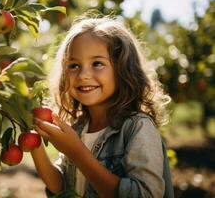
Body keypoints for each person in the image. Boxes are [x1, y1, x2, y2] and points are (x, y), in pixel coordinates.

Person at [31, 16, 174, 198]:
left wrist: (77, 152)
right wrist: (33, 141)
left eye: (97, 63)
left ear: (123, 69)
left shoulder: (137, 128)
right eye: (74, 65)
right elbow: (61, 186)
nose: (83, 75)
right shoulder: (79, 127)